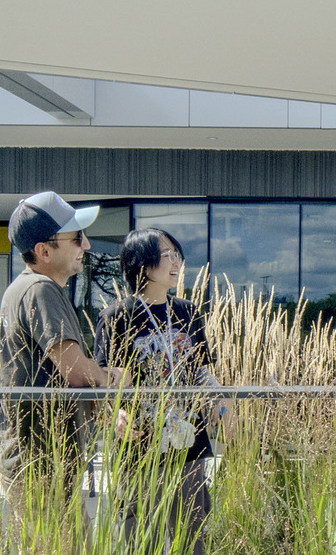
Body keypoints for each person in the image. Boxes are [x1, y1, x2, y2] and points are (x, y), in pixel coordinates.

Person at [0, 190, 125, 537]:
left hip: (40, 462)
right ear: (44, 251)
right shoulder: (40, 289)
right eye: (77, 237)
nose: (86, 244)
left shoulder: (25, 289)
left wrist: (106, 408)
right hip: (40, 464)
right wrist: (110, 377)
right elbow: (76, 372)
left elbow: (63, 377)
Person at [98, 229, 226, 555]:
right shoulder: (117, 317)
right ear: (142, 264)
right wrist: (116, 414)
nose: (176, 262)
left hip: (188, 449)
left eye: (176, 254)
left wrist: (220, 398)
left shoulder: (187, 311)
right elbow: (101, 382)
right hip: (139, 450)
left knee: (192, 539)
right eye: (167, 254)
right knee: (143, 541)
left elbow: (199, 371)